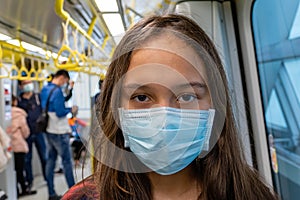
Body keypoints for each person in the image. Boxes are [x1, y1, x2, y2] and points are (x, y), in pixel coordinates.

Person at [62, 14, 278, 200]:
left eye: (186, 97)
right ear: (117, 108)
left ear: (215, 105)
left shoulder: (251, 194)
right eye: (142, 97)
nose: (164, 118)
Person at [40, 69, 76, 200]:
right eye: (65, 81)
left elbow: (54, 104)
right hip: (59, 132)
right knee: (67, 162)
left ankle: (51, 193)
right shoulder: (57, 91)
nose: (64, 84)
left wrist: (70, 91)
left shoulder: (45, 89)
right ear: (62, 77)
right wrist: (70, 109)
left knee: (51, 160)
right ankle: (74, 193)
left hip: (49, 130)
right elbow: (60, 111)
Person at [18, 79, 47, 192]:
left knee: (44, 157)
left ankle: (47, 178)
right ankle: (29, 181)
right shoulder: (19, 100)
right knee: (27, 159)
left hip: (39, 132)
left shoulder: (37, 97)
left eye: (29, 83)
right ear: (20, 86)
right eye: (25, 83)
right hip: (26, 134)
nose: (28, 85)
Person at [6, 95, 36, 197]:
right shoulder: (19, 114)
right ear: (14, 101)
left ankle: (14, 190)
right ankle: (23, 189)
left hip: (7, 146)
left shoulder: (3, 114)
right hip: (18, 144)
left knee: (12, 169)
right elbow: (25, 131)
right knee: (20, 169)